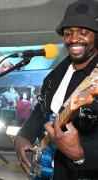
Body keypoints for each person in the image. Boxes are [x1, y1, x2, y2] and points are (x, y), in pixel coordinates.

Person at [14, 0, 98, 179]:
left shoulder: (94, 79)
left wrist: (81, 155)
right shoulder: (55, 76)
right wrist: (23, 136)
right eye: (68, 33)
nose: (74, 39)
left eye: (83, 32)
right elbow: (41, 109)